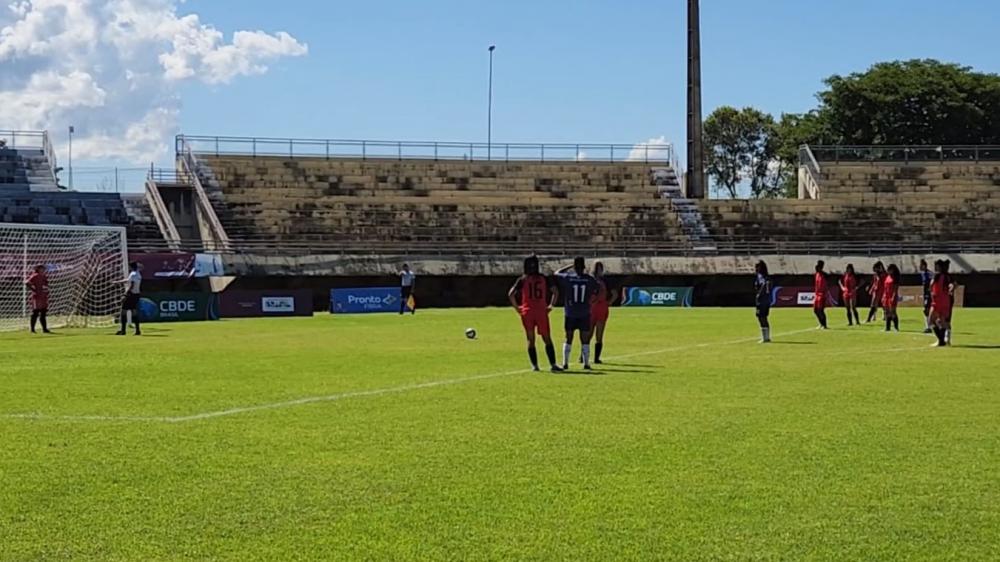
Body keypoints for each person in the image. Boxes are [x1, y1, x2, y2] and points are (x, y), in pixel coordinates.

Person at [508, 256, 562, 372]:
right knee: (547, 338)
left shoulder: (522, 279)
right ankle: (553, 364)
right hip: (541, 311)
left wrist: (517, 308)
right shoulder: (544, 278)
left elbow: (511, 294)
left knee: (530, 339)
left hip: (527, 312)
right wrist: (551, 305)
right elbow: (555, 292)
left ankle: (535, 366)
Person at [555, 257, 599, 371]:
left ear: (574, 267)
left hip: (570, 313)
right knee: (585, 340)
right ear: (584, 267)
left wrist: (568, 266)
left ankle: (565, 363)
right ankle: (586, 364)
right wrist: (592, 301)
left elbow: (557, 273)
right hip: (584, 312)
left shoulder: (568, 277)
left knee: (568, 338)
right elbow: (597, 291)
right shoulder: (589, 279)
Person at [589, 262, 618, 364]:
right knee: (592, 333)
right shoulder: (596, 280)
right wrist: (608, 302)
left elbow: (615, 294)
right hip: (597, 308)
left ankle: (590, 357)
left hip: (597, 308)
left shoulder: (595, 280)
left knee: (594, 334)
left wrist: (608, 302)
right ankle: (591, 357)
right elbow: (614, 294)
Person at [928, 259, 956, 347]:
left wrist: (931, 291)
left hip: (937, 301)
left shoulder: (936, 275)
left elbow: (931, 285)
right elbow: (954, 285)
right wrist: (951, 289)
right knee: (942, 321)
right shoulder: (947, 276)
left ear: (938, 267)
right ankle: (945, 338)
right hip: (946, 301)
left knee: (931, 321)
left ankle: (941, 341)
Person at [117, 262, 142, 336]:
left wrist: (125, 294)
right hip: (136, 295)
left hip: (131, 294)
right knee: (134, 311)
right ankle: (138, 330)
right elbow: (128, 280)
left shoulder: (133, 274)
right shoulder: (138, 274)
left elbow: (132, 285)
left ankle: (123, 331)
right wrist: (118, 282)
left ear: (131, 267)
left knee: (123, 311)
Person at [25, 265, 51, 334]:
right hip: (37, 297)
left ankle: (44, 329)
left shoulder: (44, 276)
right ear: (38, 269)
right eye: (41, 268)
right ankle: (32, 329)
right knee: (35, 312)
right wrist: (34, 289)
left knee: (43, 312)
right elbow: (27, 282)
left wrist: (46, 291)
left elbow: (46, 285)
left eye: (43, 268)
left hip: (43, 297)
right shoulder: (35, 276)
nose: (43, 269)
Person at [754, 260, 772, 343]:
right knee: (762, 317)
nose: (756, 268)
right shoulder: (764, 276)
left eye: (757, 266)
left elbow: (764, 286)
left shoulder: (762, 277)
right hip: (765, 300)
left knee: (761, 317)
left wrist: (759, 294)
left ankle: (765, 338)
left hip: (762, 300)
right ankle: (766, 337)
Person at [882, 264, 901, 332]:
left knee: (893, 311)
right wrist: (883, 296)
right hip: (886, 296)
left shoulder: (895, 278)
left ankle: (896, 327)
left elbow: (895, 289)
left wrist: (893, 297)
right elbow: (885, 288)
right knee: (887, 312)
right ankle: (887, 327)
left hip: (892, 296)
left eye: (889, 270)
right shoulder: (887, 277)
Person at [919, 259, 934, 334]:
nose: (919, 267)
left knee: (927, 310)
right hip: (926, 294)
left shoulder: (929, 273)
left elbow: (933, 282)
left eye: (921, 265)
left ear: (924, 266)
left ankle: (929, 327)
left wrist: (930, 290)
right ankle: (929, 326)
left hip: (929, 294)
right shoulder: (923, 274)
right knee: (926, 310)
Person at [813, 260, 829, 329]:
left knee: (821, 310)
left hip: (822, 295)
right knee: (815, 310)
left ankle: (824, 325)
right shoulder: (816, 274)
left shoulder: (824, 275)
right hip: (817, 294)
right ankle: (821, 323)